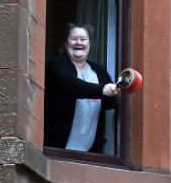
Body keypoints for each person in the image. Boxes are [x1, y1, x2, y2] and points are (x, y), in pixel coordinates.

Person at [44, 24, 119, 153]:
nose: (79, 42)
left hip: (88, 155)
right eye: (74, 38)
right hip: (57, 151)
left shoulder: (100, 72)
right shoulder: (57, 64)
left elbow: (110, 104)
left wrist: (118, 89)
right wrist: (102, 90)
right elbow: (71, 85)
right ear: (66, 42)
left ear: (90, 43)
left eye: (83, 39)